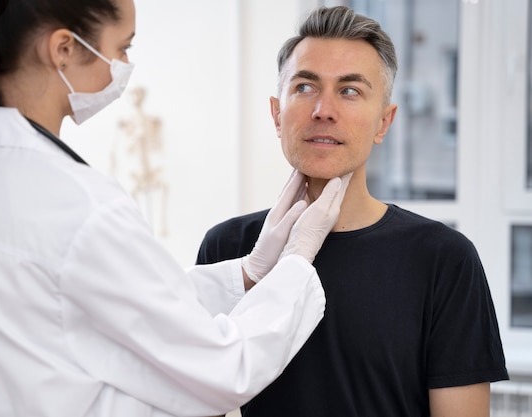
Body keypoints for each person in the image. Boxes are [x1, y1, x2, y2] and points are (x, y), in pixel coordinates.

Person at [0, 1, 353, 416]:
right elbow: (223, 368)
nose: (123, 68)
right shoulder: (77, 207)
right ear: (64, 48)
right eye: (121, 49)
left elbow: (89, 301)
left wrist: (247, 275)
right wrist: (295, 264)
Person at [196, 5, 509, 417]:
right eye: (305, 87)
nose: (323, 110)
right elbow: (196, 398)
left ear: (384, 122)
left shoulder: (443, 259)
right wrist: (254, 277)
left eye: (349, 91)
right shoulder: (231, 248)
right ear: (276, 113)